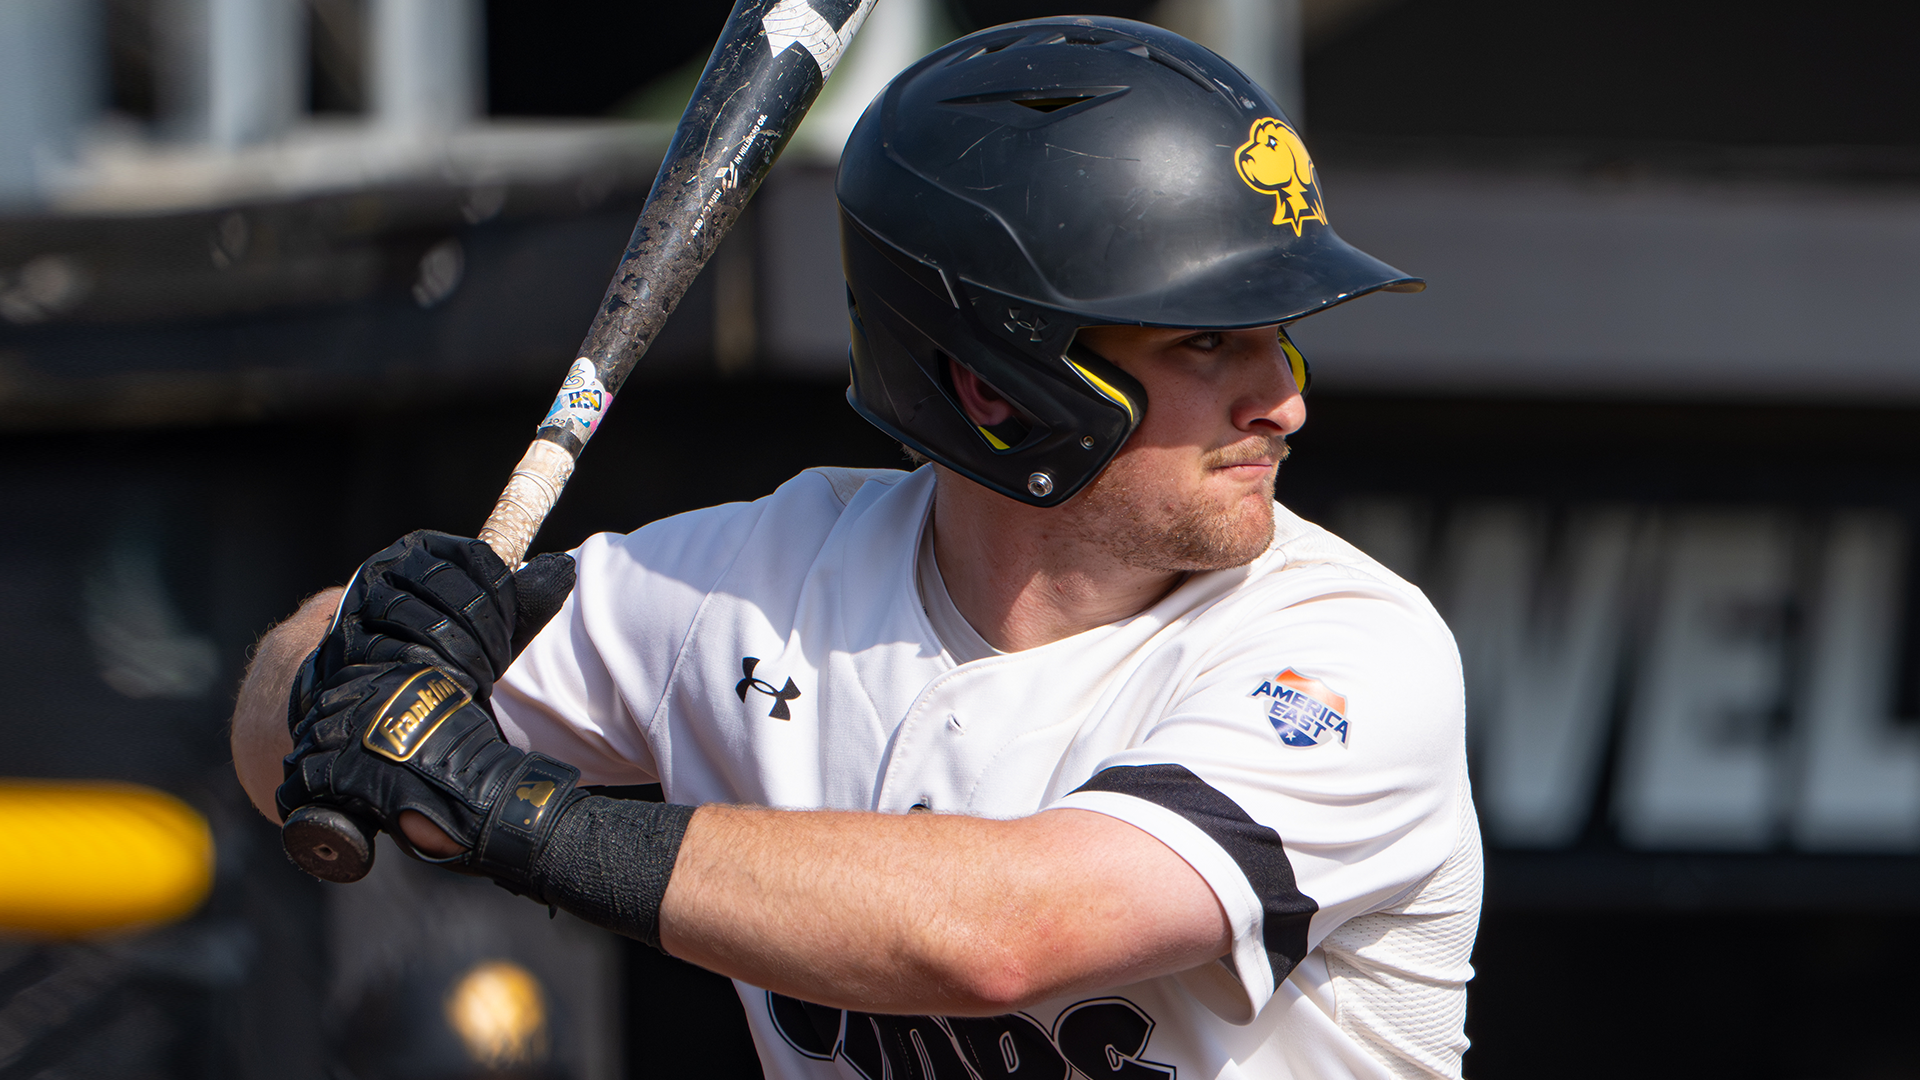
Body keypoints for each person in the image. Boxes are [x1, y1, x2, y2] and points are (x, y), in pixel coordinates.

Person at [231, 17, 1479, 1080]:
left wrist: (514, 812)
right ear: (996, 387)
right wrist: (352, 647)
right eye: (1206, 346)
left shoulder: (1352, 650)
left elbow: (1004, 933)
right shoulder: (764, 577)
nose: (1283, 400)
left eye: (1277, 337)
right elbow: (285, 749)